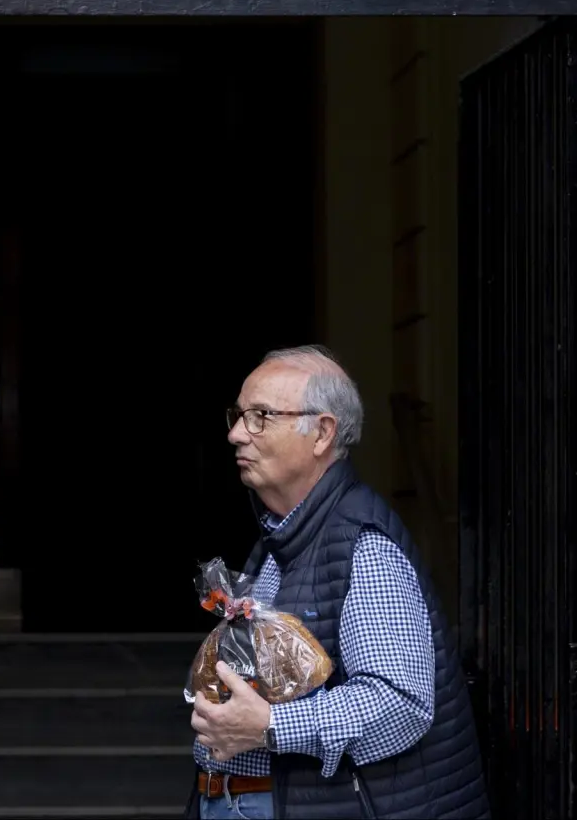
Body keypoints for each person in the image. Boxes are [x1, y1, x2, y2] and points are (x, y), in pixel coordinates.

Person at [187, 345, 488, 819]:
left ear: (322, 432)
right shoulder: (280, 537)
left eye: (261, 416)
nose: (236, 434)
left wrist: (270, 725)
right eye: (240, 415)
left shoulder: (363, 544)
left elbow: (400, 703)